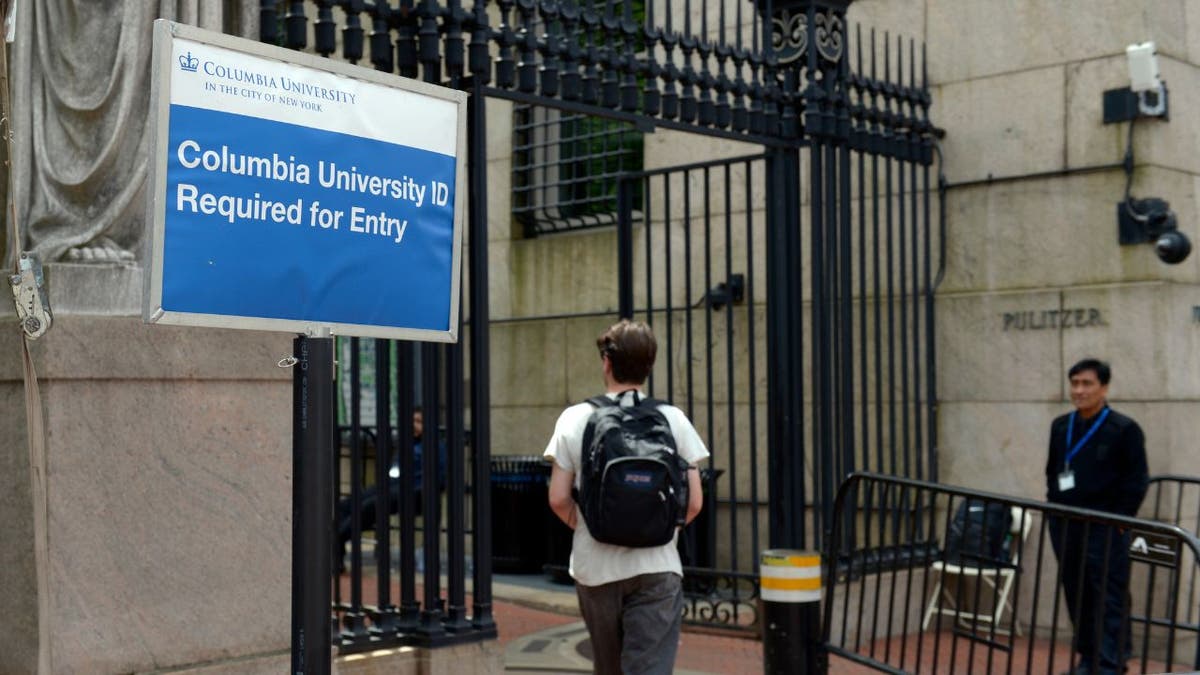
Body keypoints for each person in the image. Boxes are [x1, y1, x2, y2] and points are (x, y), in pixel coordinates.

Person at [544, 320, 708, 675]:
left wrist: (591, 526)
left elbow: (558, 498)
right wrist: (657, 529)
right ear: (649, 366)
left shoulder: (576, 418)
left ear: (606, 362)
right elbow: (694, 502)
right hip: (658, 567)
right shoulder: (673, 419)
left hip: (596, 568)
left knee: (609, 667)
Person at [1045, 358, 1148, 675]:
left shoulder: (1124, 429)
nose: (1079, 390)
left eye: (1087, 384)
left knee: (1108, 593)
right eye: (1074, 383)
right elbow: (1052, 471)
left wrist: (1119, 522)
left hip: (1105, 526)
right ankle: (1088, 657)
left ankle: (1110, 662)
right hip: (1066, 523)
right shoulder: (1062, 426)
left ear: (1103, 387)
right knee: (1077, 592)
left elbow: (1136, 481)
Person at [334, 408, 444, 573]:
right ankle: (337, 551)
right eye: (412, 421)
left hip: (416, 492)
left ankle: (337, 536)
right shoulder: (407, 444)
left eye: (419, 421)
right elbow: (395, 469)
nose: (414, 425)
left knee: (371, 504)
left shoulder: (436, 446)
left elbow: (440, 477)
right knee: (346, 504)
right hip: (394, 486)